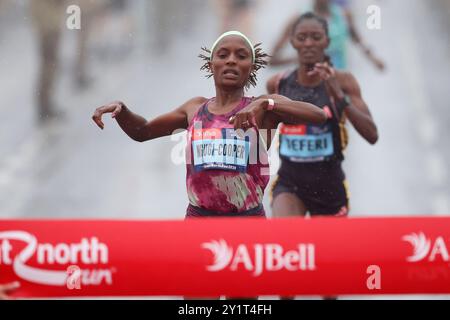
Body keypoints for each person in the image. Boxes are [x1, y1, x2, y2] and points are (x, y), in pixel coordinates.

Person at [92, 31, 326, 220]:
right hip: (198, 220)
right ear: (211, 64)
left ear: (251, 67)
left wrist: (267, 103)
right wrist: (122, 111)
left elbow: (318, 116)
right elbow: (142, 131)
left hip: (248, 222)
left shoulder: (262, 108)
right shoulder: (194, 108)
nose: (231, 60)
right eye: (223, 55)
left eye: (241, 56)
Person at [267, 13, 378, 299]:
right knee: (286, 262)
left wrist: (339, 98)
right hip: (289, 184)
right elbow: (266, 132)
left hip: (330, 188)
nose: (309, 44)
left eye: (316, 37)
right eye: (301, 38)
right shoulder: (278, 84)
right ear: (292, 42)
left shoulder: (344, 81)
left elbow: (371, 134)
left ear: (327, 41)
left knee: (328, 286)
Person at [270, 0, 385, 71]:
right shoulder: (299, 18)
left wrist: (373, 58)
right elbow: (272, 59)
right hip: (308, 87)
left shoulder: (343, 15)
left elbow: (358, 40)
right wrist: (300, 59)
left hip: (339, 82)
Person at [30, 0, 66, 123]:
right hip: (48, 21)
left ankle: (45, 103)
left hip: (48, 19)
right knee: (50, 62)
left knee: (50, 62)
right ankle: (44, 104)